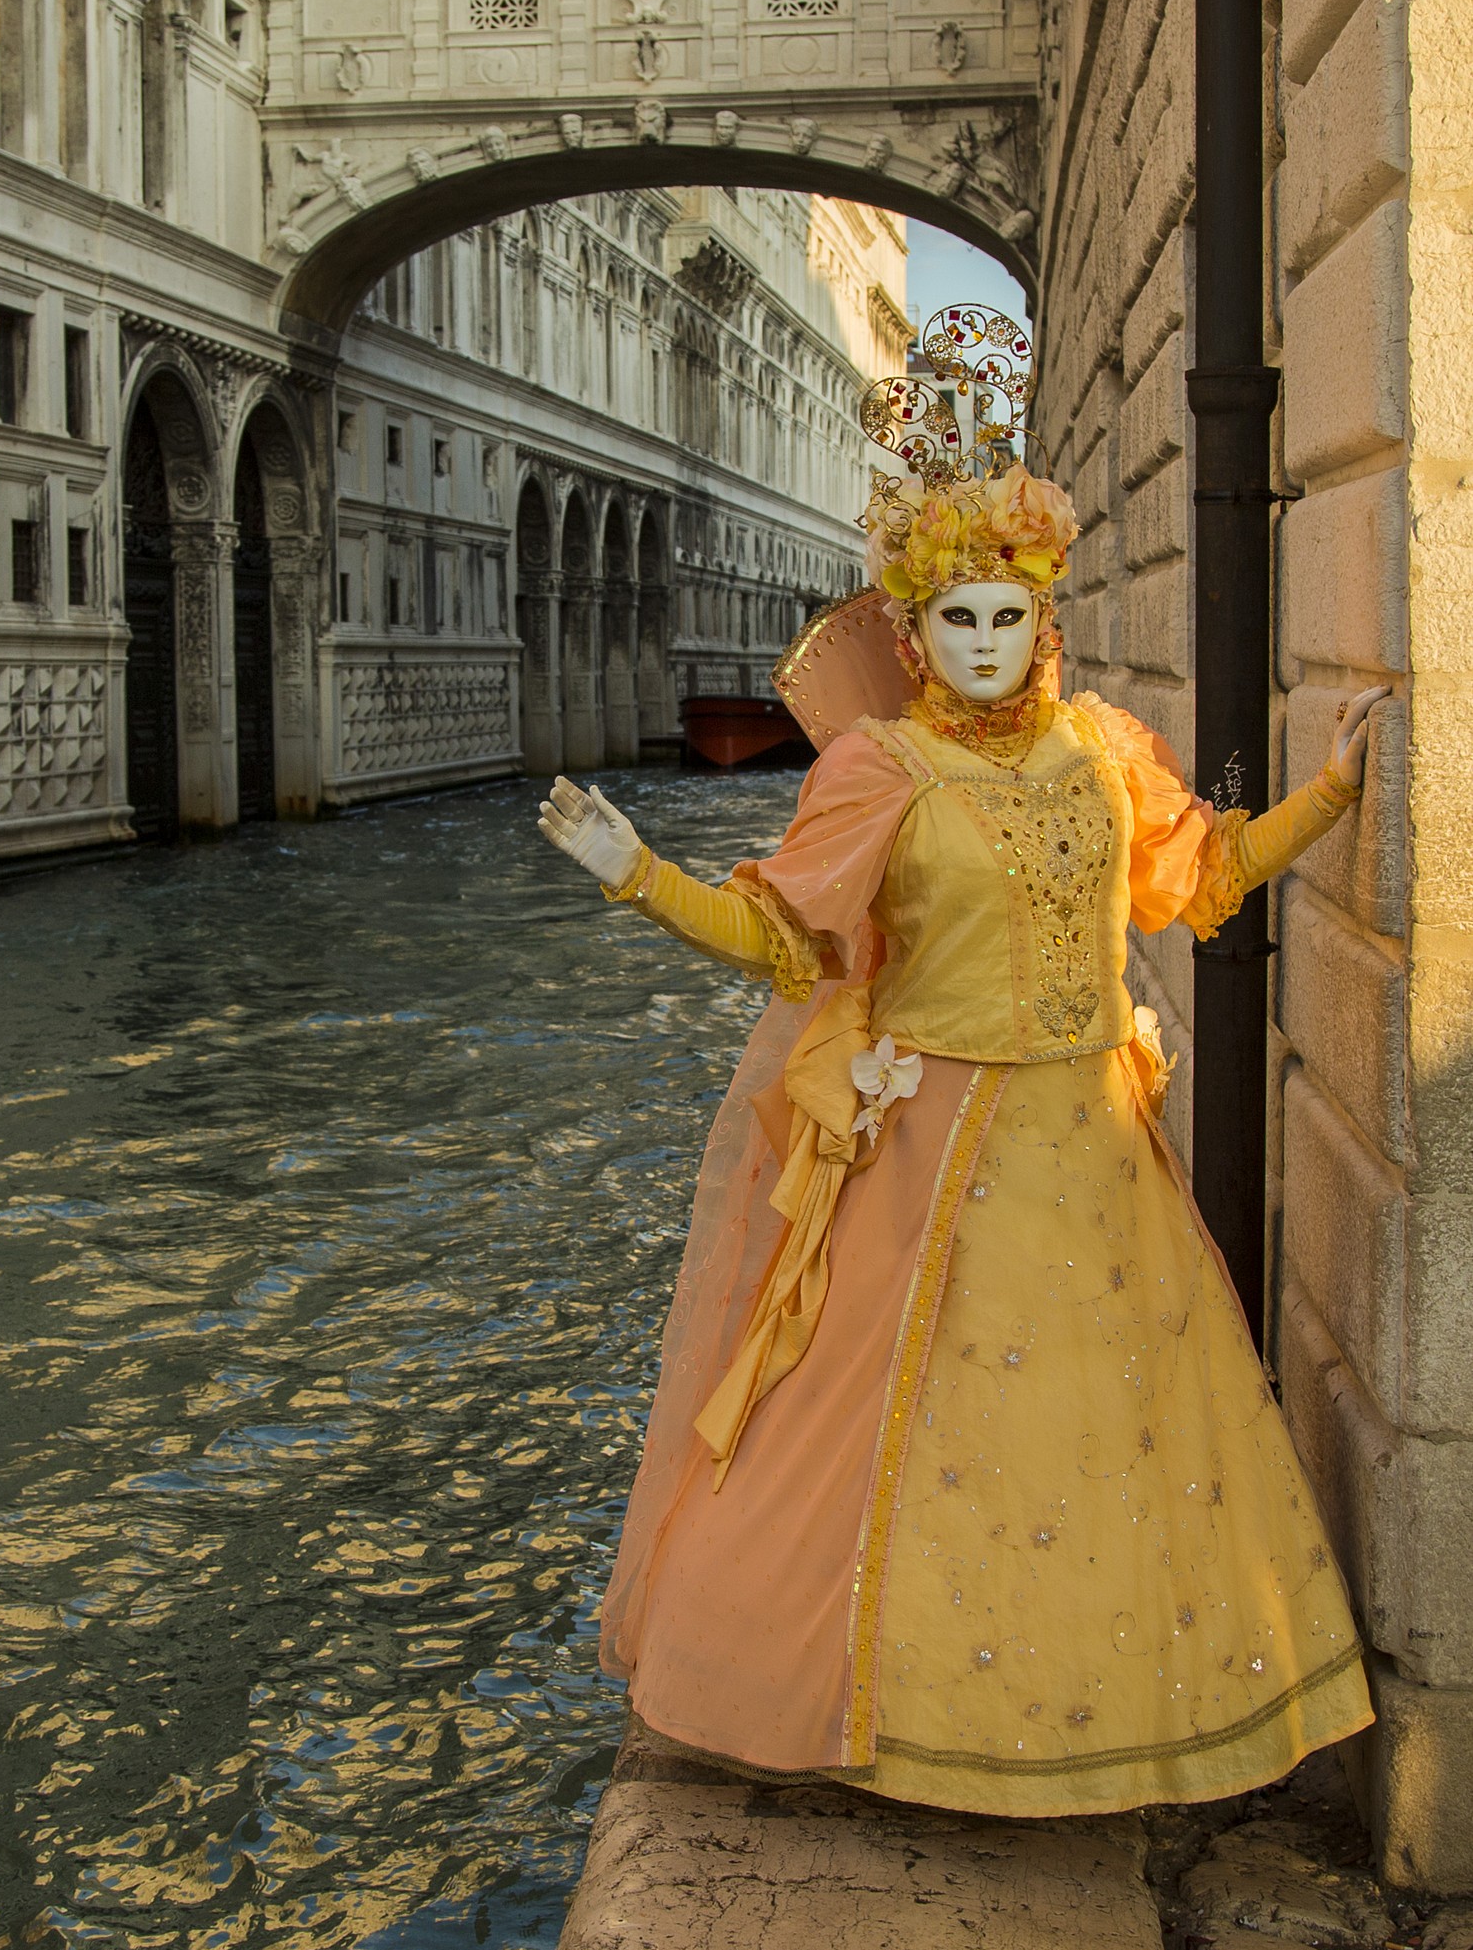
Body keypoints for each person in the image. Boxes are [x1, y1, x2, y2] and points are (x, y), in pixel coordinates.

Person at [537, 315, 1382, 1816]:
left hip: (1100, 1154)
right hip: (934, 1148)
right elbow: (784, 943)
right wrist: (634, 873)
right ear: (912, 631)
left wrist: (1329, 792)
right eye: (954, 624)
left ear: (1040, 615)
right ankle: (886, 1726)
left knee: (1113, 1437)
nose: (983, 648)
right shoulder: (877, 768)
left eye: (1006, 618)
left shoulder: (1103, 749)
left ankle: (1111, 1734)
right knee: (882, 1441)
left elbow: (1198, 879)